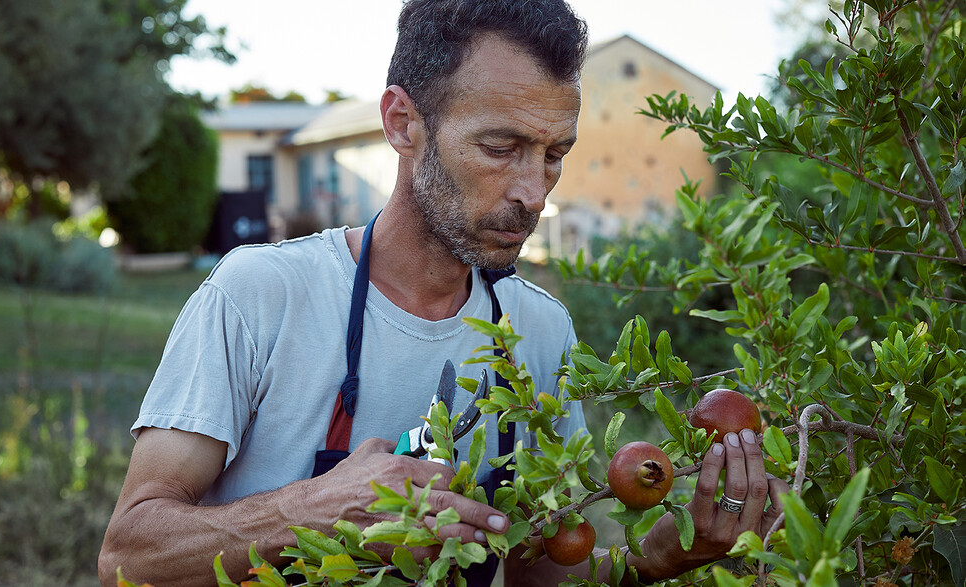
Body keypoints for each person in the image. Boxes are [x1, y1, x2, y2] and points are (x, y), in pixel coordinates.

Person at [98, 1, 789, 585]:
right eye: (500, 148)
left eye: (555, 154)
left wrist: (662, 556)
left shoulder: (539, 331)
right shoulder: (261, 295)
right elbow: (127, 556)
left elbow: (541, 572)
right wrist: (313, 510)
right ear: (402, 123)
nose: (534, 192)